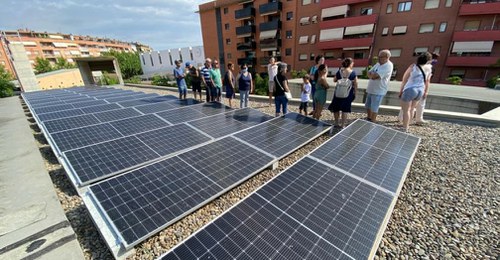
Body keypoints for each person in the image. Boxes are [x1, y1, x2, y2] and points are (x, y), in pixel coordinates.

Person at [398, 52, 439, 125]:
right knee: (412, 109)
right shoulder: (429, 68)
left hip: (410, 89)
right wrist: (426, 91)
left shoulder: (413, 66)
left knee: (406, 110)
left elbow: (404, 80)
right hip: (420, 90)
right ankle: (408, 123)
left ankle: (405, 127)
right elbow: (427, 81)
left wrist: (401, 90)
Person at [365, 49, 393, 123]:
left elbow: (375, 76)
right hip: (371, 89)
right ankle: (369, 118)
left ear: (387, 57)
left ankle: (372, 120)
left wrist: (372, 75)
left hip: (379, 90)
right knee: (367, 105)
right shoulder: (378, 64)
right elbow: (368, 73)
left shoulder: (388, 65)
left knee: (374, 107)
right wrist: (372, 75)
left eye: (381, 57)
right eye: (379, 56)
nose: (379, 58)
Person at [328, 57, 358, 128]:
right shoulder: (353, 73)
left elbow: (334, 80)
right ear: (350, 64)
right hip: (348, 94)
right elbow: (356, 84)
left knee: (336, 108)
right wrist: (355, 93)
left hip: (338, 93)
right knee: (345, 109)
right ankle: (343, 124)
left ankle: (336, 122)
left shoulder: (339, 71)